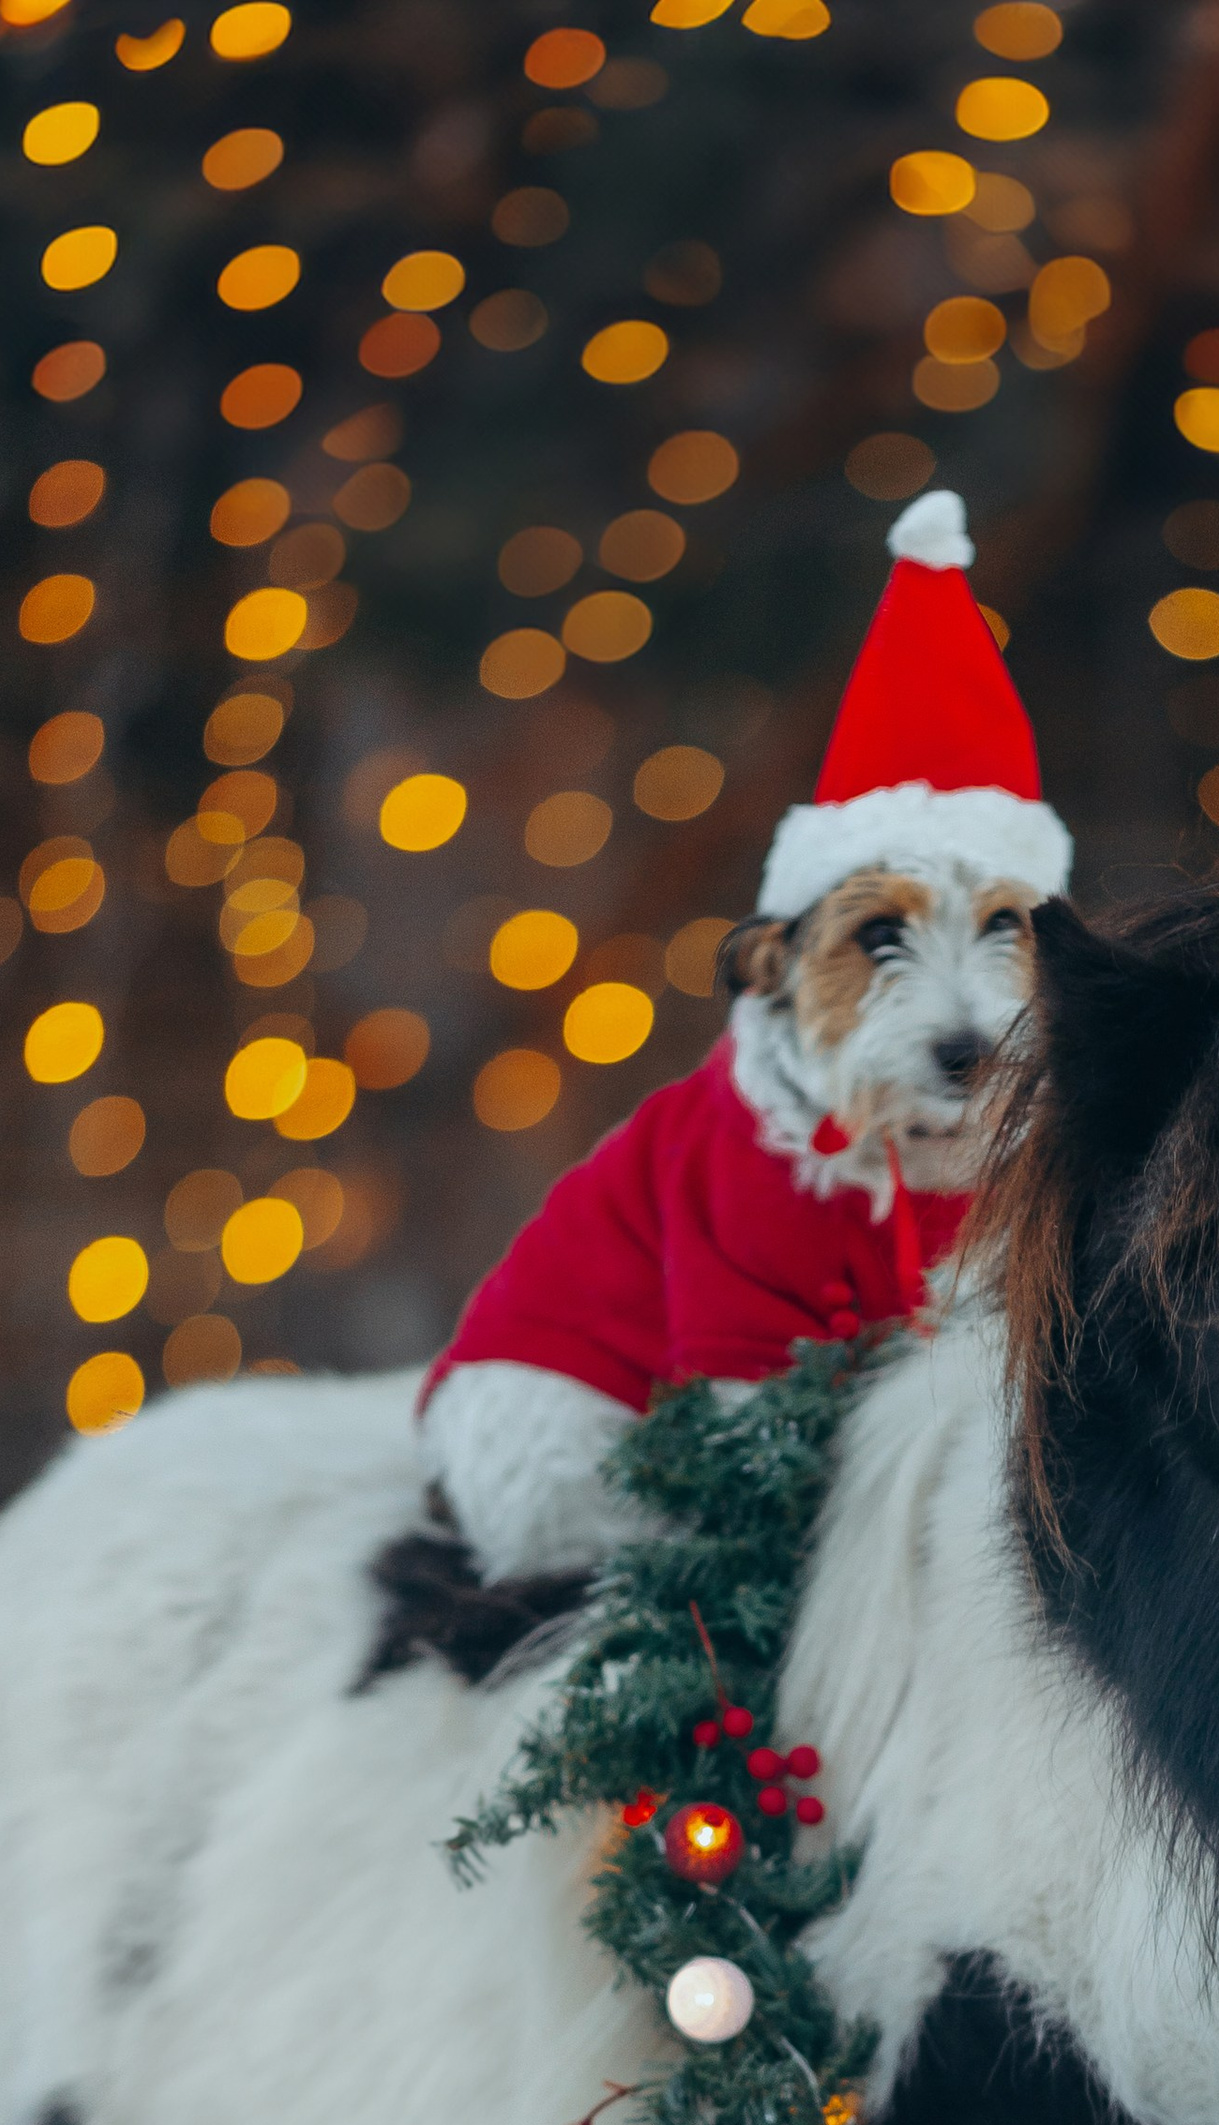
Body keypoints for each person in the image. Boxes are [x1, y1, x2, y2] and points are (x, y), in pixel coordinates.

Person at [417, 490, 1074, 1579]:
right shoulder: (749, 1166)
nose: (967, 1018)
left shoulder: (1009, 1153)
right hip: (580, 1418)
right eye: (879, 940)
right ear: (772, 966)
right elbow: (743, 1396)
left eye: (1000, 927)